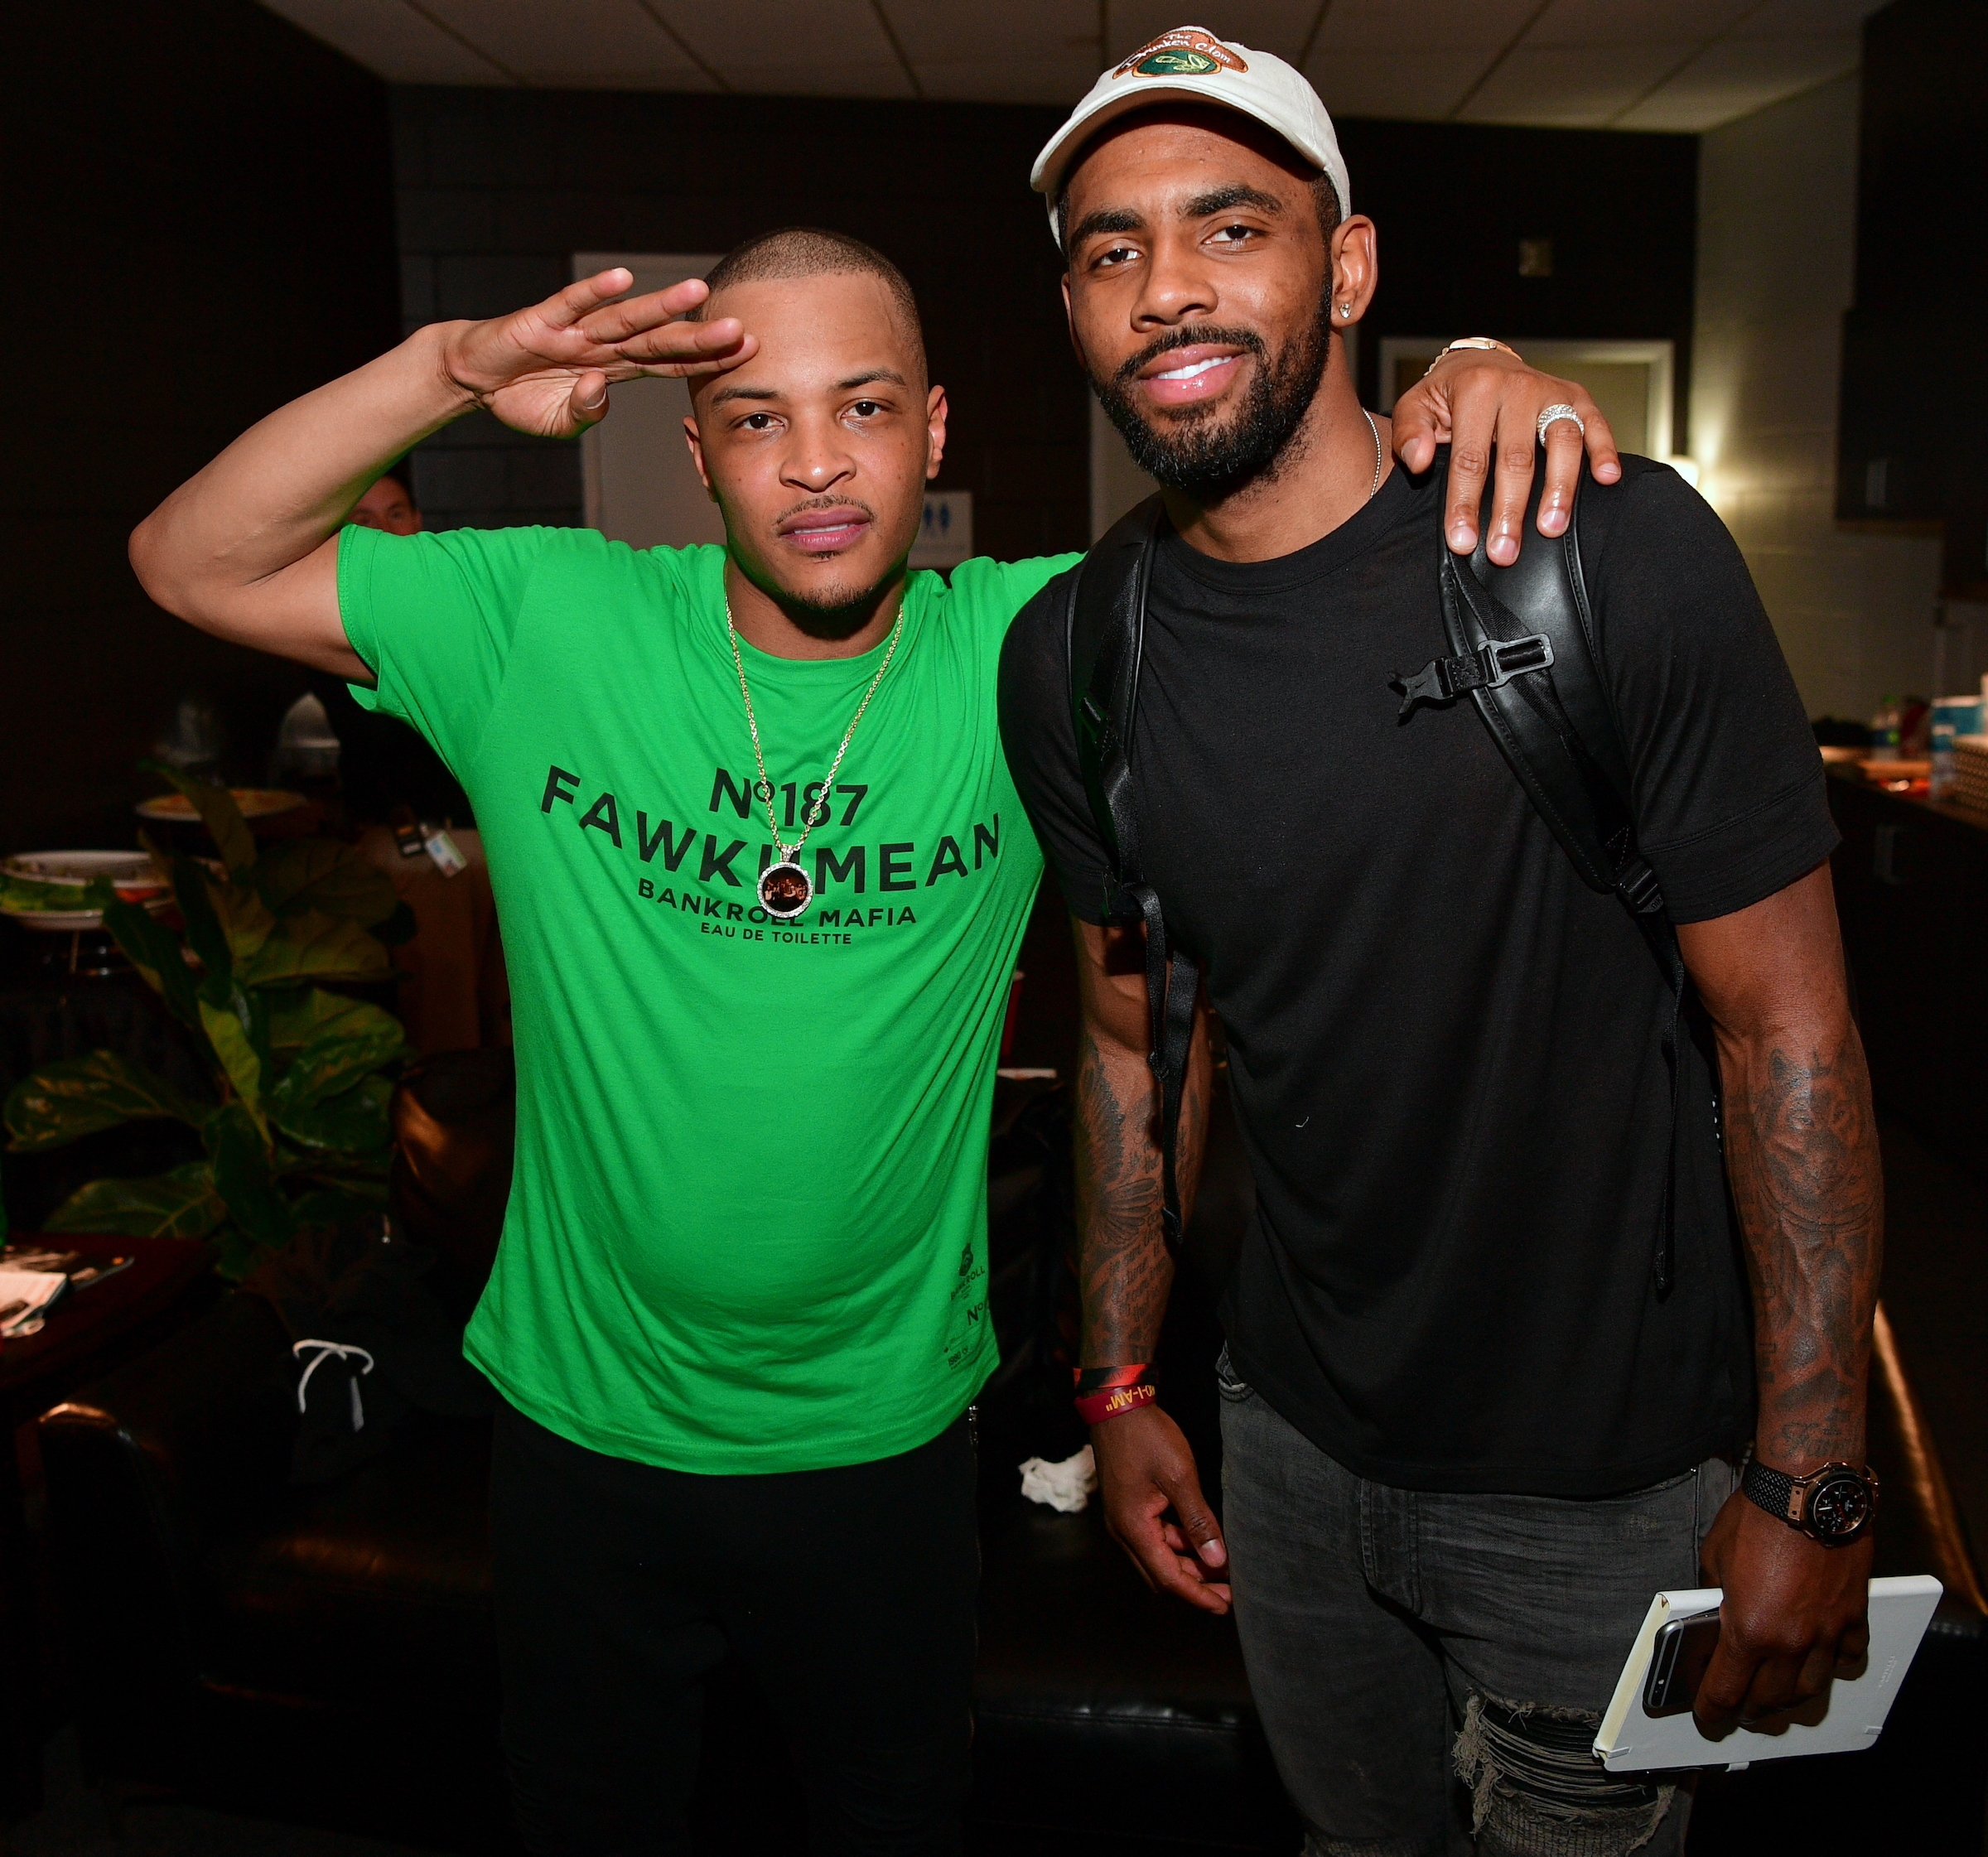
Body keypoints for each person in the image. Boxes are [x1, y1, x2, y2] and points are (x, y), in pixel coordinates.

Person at [129, 207, 1618, 1848]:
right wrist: (456, 369)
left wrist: (1470, 383)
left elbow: (1322, 553)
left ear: (935, 431)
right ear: (695, 453)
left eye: (864, 406)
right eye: (759, 418)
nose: (817, 465)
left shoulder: (1037, 648)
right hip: (580, 1439)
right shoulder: (545, 621)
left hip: (886, 1448)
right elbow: (188, 556)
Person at [998, 31, 1879, 1857]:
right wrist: (1120, 1382)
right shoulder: (1078, 652)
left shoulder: (1604, 553)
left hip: (1606, 1486)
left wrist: (1812, 1475)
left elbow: (1787, 1033)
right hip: (1293, 1454)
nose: (1166, 286)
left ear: (1350, 267)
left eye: (1229, 224)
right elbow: (1127, 1047)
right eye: (1108, 248)